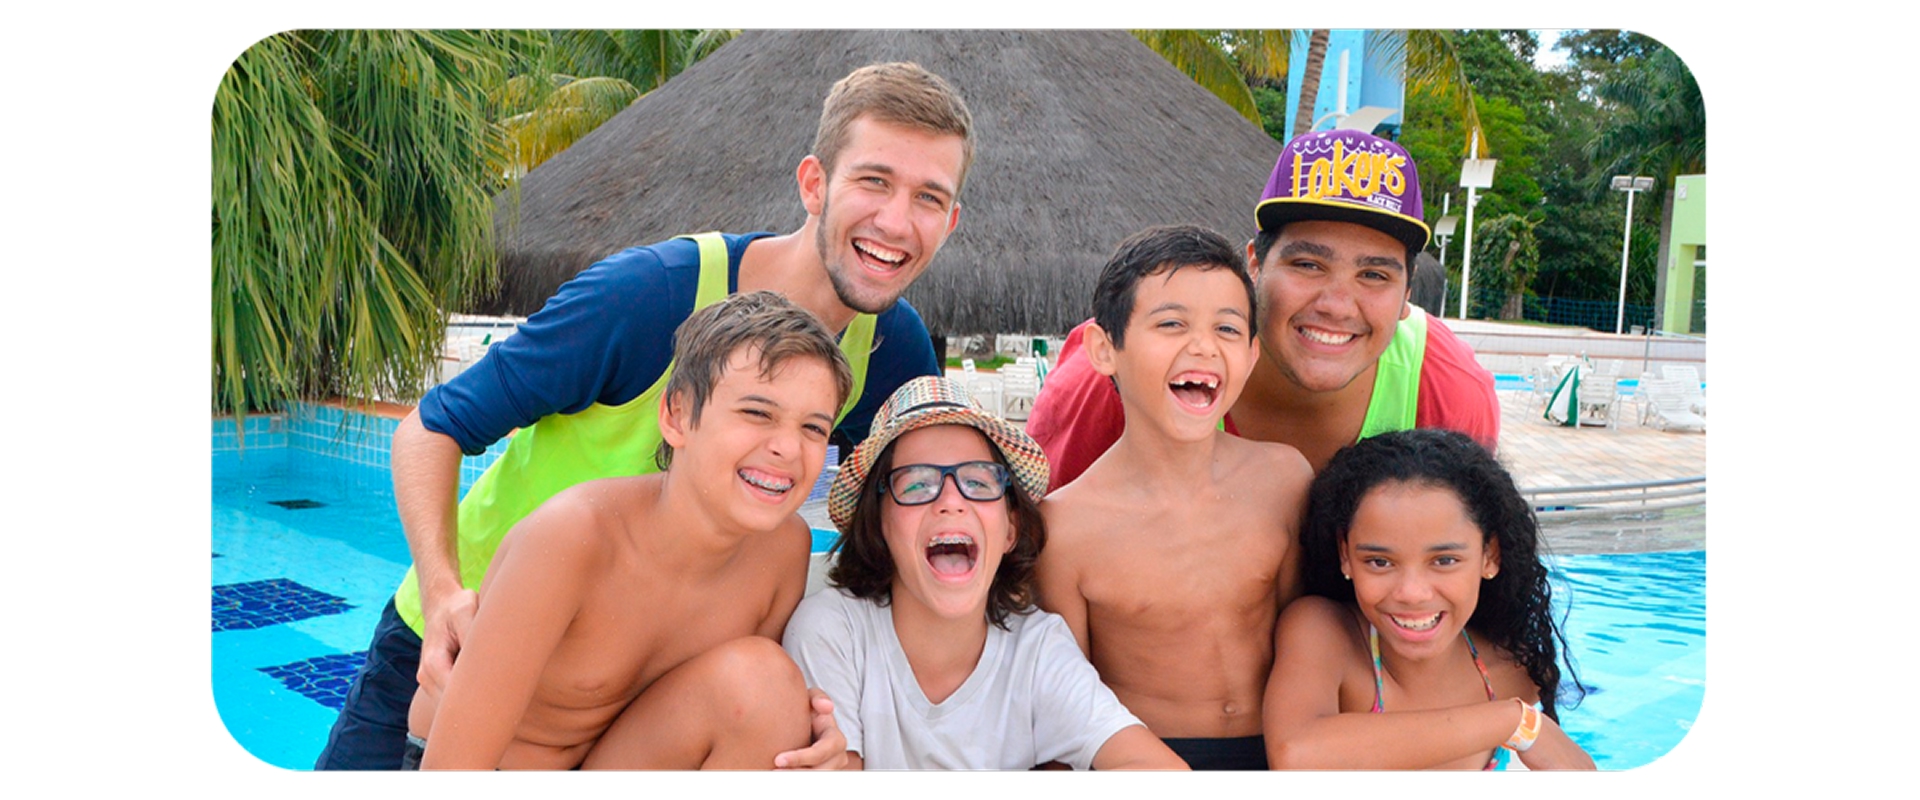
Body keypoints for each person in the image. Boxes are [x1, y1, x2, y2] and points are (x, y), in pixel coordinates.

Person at [317, 61, 975, 770]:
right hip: (458, 642)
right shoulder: (648, 297)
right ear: (814, 184)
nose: (896, 220)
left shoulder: (889, 347)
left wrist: (842, 718)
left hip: (633, 692)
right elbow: (430, 428)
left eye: (928, 197)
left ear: (951, 221)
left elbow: (927, 520)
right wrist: (445, 592)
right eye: (874, 181)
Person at [404, 291, 846, 769]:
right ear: (676, 416)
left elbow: (744, 725)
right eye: (757, 413)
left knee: (770, 690)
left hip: (612, 762)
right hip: (486, 767)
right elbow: (451, 770)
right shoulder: (573, 538)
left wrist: (810, 750)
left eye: (813, 429)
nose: (786, 447)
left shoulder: (784, 550)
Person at [1027, 129, 1499, 487]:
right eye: (1309, 264)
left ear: (1407, 295)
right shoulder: (1124, 364)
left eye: (1374, 275)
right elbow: (1028, 555)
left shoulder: (1447, 393)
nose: (1336, 305)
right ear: (1255, 263)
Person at [781, 376, 1187, 770]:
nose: (951, 501)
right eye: (917, 485)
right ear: (880, 526)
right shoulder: (835, 632)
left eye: (978, 481)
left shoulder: (1037, 648)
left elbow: (1154, 769)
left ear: (1010, 529)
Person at [1033, 226, 1312, 770]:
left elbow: (1313, 637)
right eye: (1171, 324)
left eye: (1227, 329)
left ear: (1252, 356)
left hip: (1281, 750)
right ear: (1103, 348)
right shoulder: (1065, 528)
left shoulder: (1284, 480)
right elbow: (1062, 704)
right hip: (1146, 762)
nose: (1203, 346)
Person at [1262, 429, 1594, 770]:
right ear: (1345, 554)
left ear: (1490, 556)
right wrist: (1514, 722)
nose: (1412, 593)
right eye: (1379, 562)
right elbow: (1297, 753)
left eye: (1444, 561)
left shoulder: (1512, 673)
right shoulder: (1327, 634)